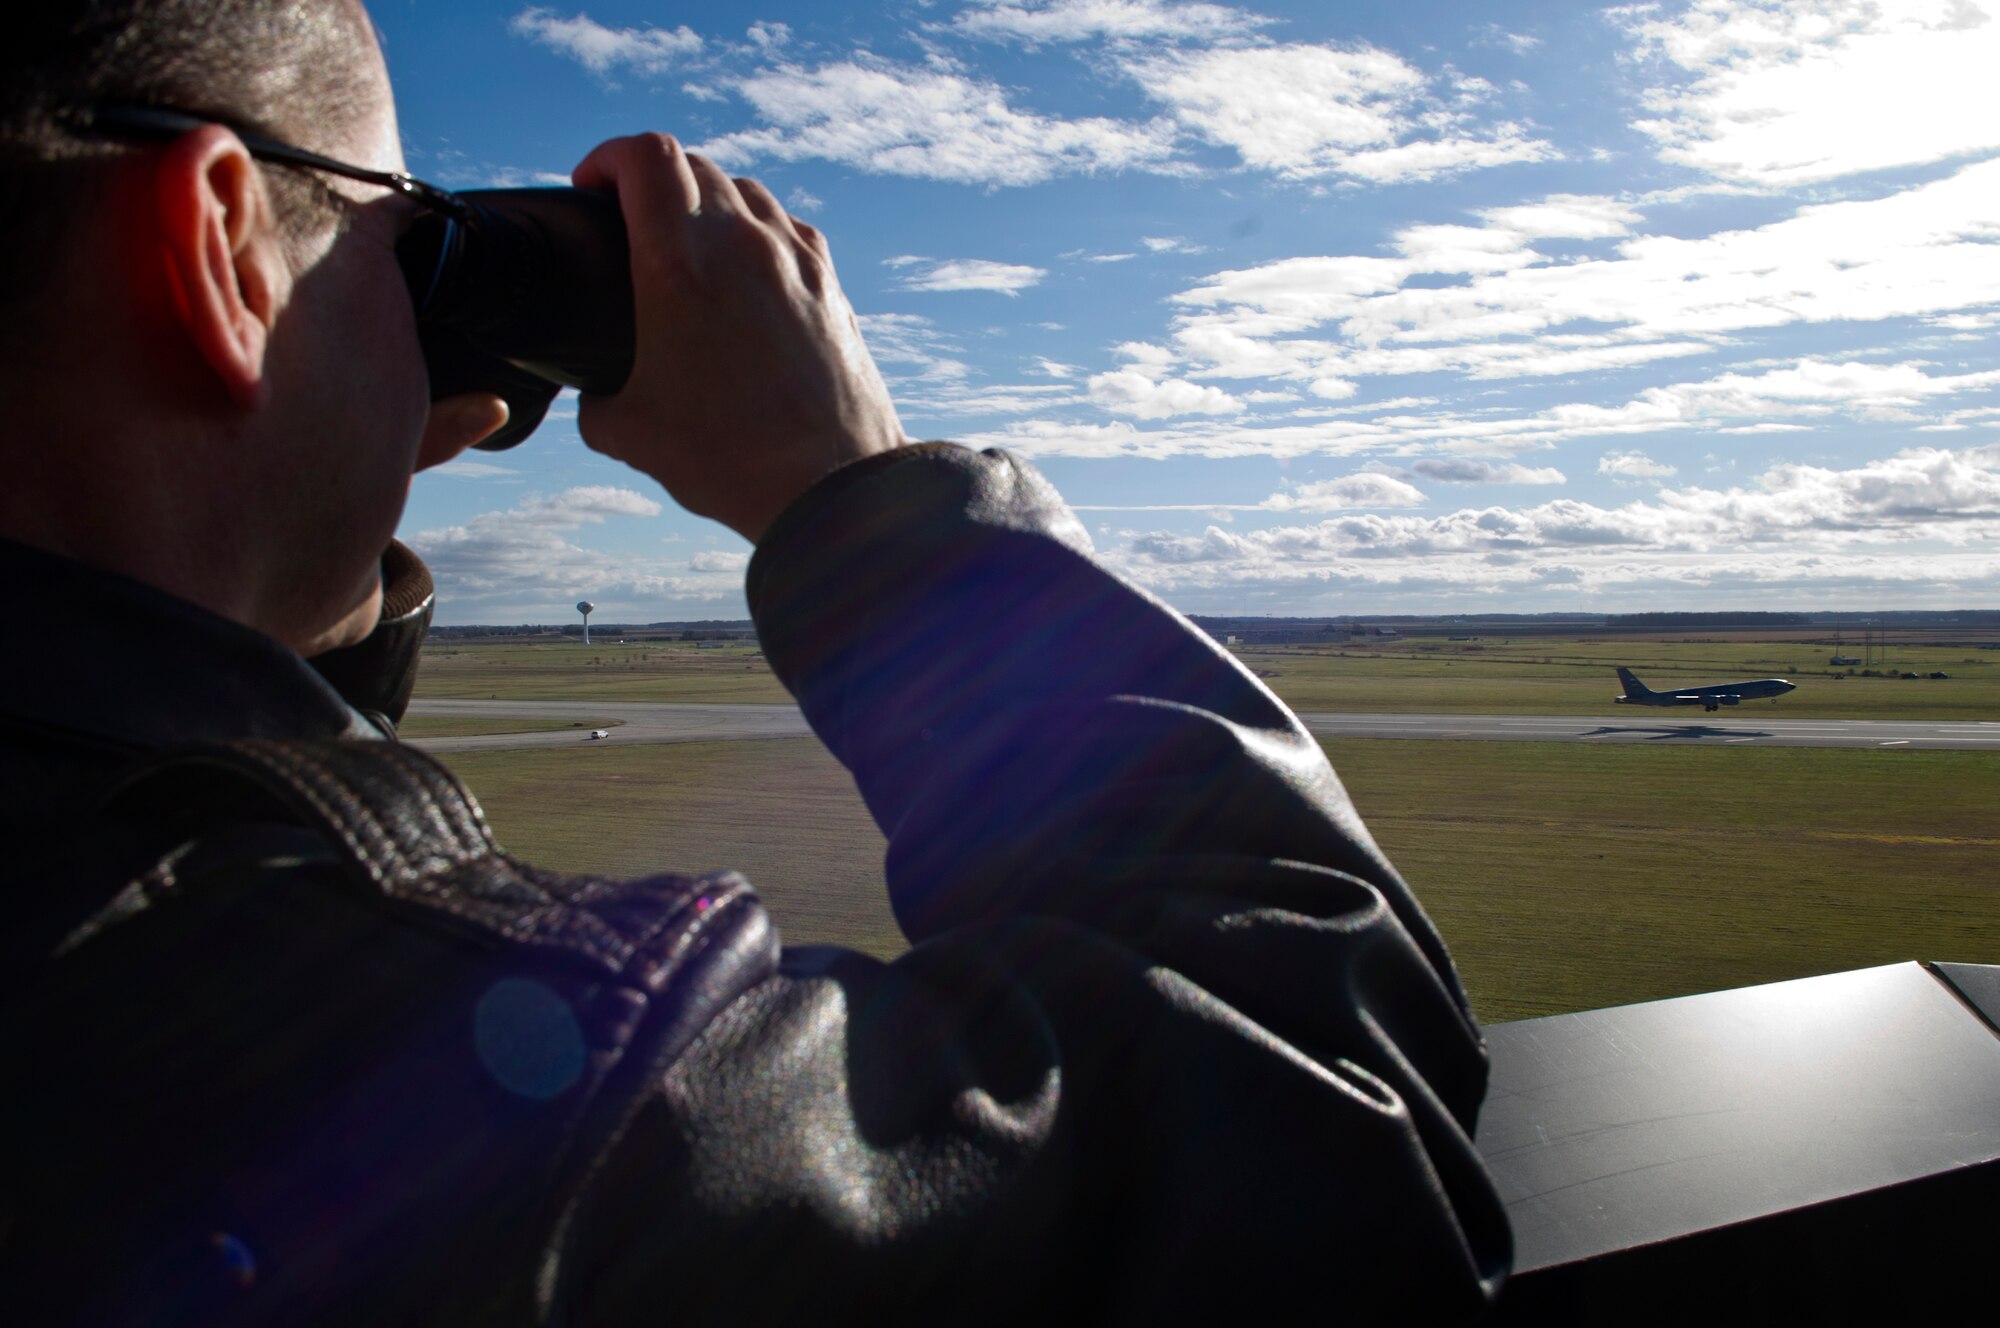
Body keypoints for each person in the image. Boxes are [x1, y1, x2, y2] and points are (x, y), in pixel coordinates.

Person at [0, 2, 1510, 1322]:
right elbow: (1329, 1111)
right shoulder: (439, 1069)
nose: (419, 326)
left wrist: (283, 557)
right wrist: (853, 485)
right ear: (218, 251)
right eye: (401, 244)